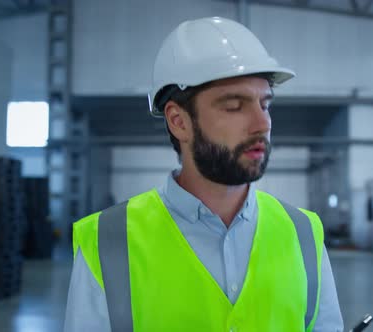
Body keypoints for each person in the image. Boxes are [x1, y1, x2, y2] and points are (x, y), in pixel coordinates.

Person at [64, 16, 344, 332]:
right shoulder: (107, 240)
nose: (262, 123)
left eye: (265, 104)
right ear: (179, 121)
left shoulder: (303, 233)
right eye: (234, 106)